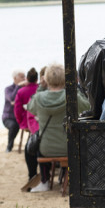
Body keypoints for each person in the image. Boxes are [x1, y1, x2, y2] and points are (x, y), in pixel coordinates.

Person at [25, 63, 89, 192]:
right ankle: (68, 178)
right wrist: (73, 88)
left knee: (39, 142)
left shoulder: (39, 97)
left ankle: (44, 181)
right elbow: (86, 106)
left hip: (46, 148)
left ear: (46, 79)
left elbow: (31, 109)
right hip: (68, 146)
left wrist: (41, 88)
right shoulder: (71, 96)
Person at [14, 68, 39, 137]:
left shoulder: (21, 91)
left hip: (26, 122)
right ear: (37, 80)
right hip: (40, 121)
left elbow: (17, 110)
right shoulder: (40, 90)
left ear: (26, 79)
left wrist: (20, 122)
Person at [3, 70, 24, 152]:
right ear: (15, 78)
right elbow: (12, 98)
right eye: (22, 77)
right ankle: (9, 146)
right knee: (13, 126)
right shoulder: (8, 89)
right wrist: (18, 86)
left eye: (25, 76)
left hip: (19, 117)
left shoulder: (24, 88)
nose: (24, 78)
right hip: (8, 117)